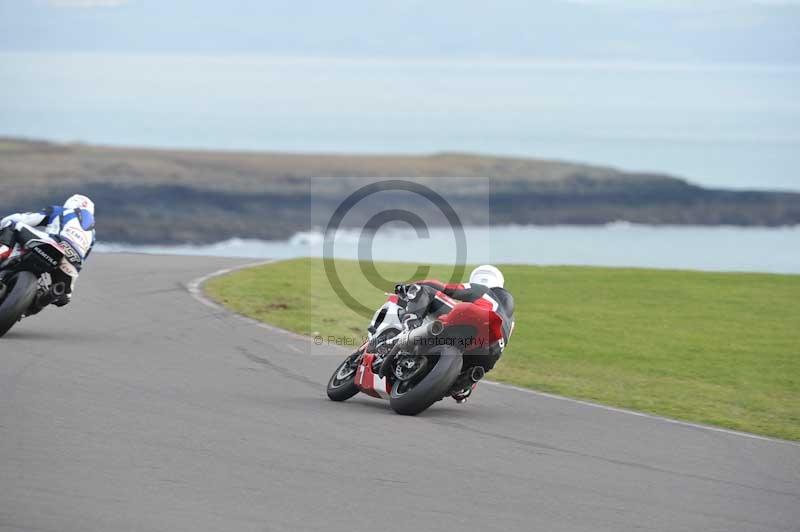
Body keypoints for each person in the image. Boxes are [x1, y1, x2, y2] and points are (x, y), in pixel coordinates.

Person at [396, 265, 515, 403]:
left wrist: (410, 287)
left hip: (471, 320)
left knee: (424, 290)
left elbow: (445, 287)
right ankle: (465, 384)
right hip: (491, 352)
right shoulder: (510, 321)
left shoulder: (482, 290)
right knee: (474, 369)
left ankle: (409, 328)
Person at [0, 194, 96, 307]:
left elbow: (24, 219)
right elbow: (82, 259)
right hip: (73, 261)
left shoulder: (61, 211)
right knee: (62, 298)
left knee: (12, 224)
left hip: (55, 242)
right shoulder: (93, 236)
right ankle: (43, 298)